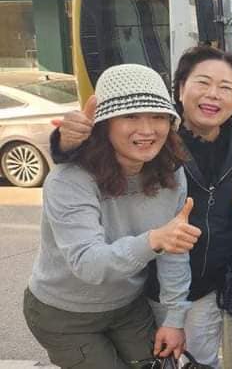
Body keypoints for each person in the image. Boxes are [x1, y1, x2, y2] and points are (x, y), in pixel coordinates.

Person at [51, 46, 232, 367]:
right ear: (180, 89)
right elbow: (92, 158)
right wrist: (64, 142)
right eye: (203, 82)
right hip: (143, 282)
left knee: (199, 360)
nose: (213, 94)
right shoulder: (155, 138)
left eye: (226, 87)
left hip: (206, 279)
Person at [24, 63, 194, 367]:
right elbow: (88, 264)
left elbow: (174, 250)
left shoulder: (170, 173)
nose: (147, 130)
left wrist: (174, 317)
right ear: (104, 124)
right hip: (64, 312)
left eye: (158, 116)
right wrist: (155, 239)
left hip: (127, 305)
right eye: (130, 116)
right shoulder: (69, 179)